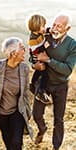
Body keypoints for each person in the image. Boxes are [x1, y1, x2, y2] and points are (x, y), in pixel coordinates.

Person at [32, 13, 76, 150]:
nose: (55, 28)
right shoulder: (46, 36)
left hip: (60, 86)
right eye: (55, 24)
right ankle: (42, 129)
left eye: (60, 26)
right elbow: (33, 53)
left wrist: (48, 60)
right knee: (36, 114)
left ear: (67, 28)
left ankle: (56, 146)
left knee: (59, 119)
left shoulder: (72, 45)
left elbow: (67, 69)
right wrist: (35, 65)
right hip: (43, 84)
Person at [0, 37, 33, 150]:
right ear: (14, 53)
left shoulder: (24, 69)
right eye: (22, 48)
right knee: (9, 143)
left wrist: (27, 112)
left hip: (17, 111)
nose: (25, 50)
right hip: (1, 113)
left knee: (17, 143)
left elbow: (25, 93)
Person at [27, 14, 56, 104]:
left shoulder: (39, 33)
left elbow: (45, 31)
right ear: (36, 26)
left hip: (39, 56)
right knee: (45, 74)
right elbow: (34, 49)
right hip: (37, 57)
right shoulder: (33, 39)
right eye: (43, 26)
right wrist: (44, 47)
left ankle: (32, 83)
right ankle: (41, 91)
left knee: (39, 72)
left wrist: (49, 30)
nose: (44, 28)